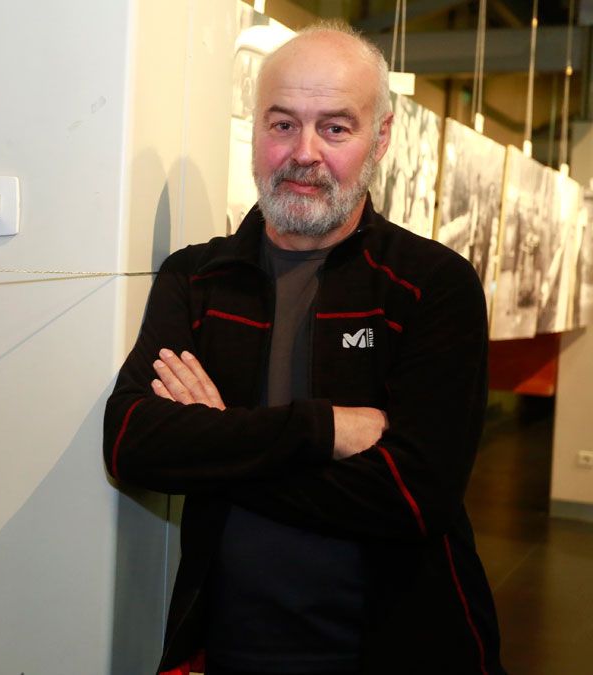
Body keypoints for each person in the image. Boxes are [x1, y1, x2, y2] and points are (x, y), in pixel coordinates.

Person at [103, 23, 505, 675]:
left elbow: (410, 496)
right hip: (226, 648)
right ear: (256, 130)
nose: (304, 152)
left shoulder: (431, 284)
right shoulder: (197, 278)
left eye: (335, 128)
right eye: (282, 124)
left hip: (400, 650)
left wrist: (216, 439)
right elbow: (130, 444)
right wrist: (320, 429)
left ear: (380, 138)